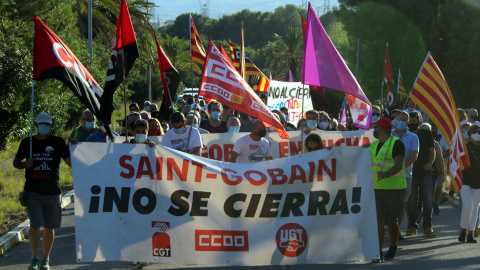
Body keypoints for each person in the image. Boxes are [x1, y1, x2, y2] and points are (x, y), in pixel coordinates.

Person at [13, 113, 71, 270]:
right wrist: (25, 165)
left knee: (49, 227)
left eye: (48, 124)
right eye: (42, 124)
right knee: (35, 224)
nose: (45, 127)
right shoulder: (28, 143)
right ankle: (34, 257)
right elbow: (16, 162)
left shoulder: (57, 142)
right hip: (33, 191)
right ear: (36, 125)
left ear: (51, 126)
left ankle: (45, 259)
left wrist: (75, 147)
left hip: (53, 191)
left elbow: (70, 161)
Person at [367, 117, 406, 262]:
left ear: (382, 128)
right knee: (378, 220)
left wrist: (387, 174)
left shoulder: (397, 144)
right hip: (377, 188)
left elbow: (399, 164)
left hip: (394, 188)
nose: (374, 130)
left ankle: (393, 246)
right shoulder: (373, 145)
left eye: (376, 127)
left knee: (391, 221)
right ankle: (378, 251)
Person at [407, 111, 436, 237]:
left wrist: (430, 162)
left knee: (428, 199)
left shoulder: (426, 134)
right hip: (411, 172)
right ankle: (412, 226)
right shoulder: (405, 135)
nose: (412, 123)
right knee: (412, 200)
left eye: (415, 121)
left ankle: (428, 227)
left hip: (425, 171)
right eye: (410, 121)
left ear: (419, 122)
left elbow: (432, 150)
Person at [392, 111, 419, 240]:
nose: (400, 122)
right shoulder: (389, 134)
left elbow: (413, 157)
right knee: (389, 203)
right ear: (394, 120)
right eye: (398, 119)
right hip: (388, 175)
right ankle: (391, 226)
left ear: (407, 123)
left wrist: (398, 168)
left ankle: (396, 229)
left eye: (403, 120)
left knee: (402, 203)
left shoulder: (413, 137)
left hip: (405, 175)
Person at [458, 124, 480, 243]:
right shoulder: (465, 148)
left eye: (479, 132)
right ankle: (463, 230)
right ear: (470, 134)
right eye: (475, 132)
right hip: (465, 180)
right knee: (467, 206)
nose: (478, 134)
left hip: (478, 181)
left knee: (475, 208)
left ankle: (471, 233)